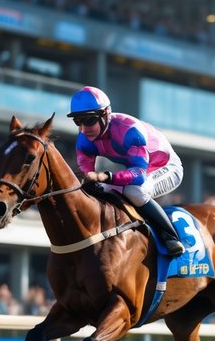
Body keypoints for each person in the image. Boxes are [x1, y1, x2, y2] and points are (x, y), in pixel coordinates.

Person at [68, 86, 186, 256]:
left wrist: (105, 176)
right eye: (78, 121)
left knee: (134, 191)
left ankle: (170, 235)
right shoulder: (84, 139)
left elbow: (138, 175)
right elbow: (87, 175)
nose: (84, 129)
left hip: (166, 167)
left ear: (106, 114)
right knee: (97, 189)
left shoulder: (130, 131)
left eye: (89, 120)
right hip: (138, 168)